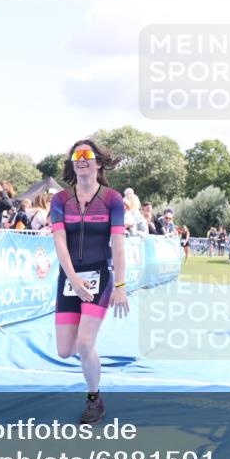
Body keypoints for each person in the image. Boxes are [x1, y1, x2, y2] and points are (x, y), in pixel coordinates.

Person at [50, 138, 129, 425]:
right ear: (72, 164)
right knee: (64, 350)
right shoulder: (60, 200)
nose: (81, 159)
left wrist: (121, 286)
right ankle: (90, 372)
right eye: (76, 155)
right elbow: (59, 242)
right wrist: (72, 278)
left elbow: (118, 245)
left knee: (85, 343)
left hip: (100, 276)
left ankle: (94, 399)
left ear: (98, 162)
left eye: (87, 154)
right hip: (69, 278)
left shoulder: (112, 199)